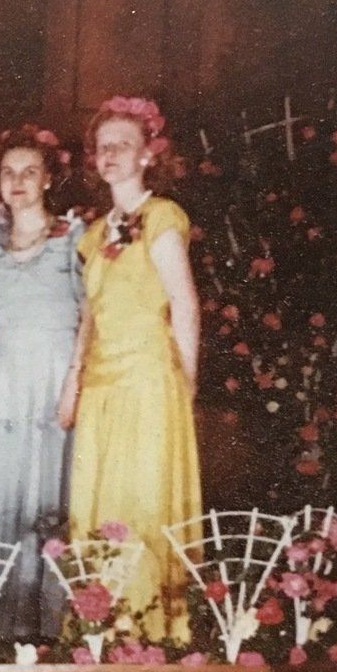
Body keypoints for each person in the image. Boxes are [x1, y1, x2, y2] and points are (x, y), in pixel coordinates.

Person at [67, 96, 202, 641]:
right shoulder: (95, 233)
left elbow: (185, 304)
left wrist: (184, 385)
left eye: (124, 144)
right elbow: (88, 317)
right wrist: (73, 381)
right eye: (104, 147)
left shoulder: (162, 216)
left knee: (142, 500)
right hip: (101, 383)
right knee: (98, 506)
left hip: (148, 378)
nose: (111, 154)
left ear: (148, 155)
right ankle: (100, 626)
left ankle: (150, 629)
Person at [0, 127, 83, 638]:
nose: (18, 182)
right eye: (8, 173)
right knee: (4, 494)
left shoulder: (73, 241)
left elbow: (89, 315)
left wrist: (74, 381)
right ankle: (2, 624)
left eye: (29, 172)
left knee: (53, 494)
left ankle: (54, 622)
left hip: (55, 372)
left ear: (49, 179)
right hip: (4, 374)